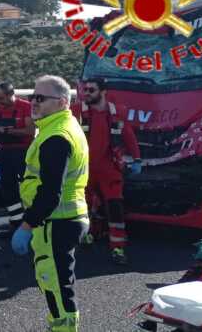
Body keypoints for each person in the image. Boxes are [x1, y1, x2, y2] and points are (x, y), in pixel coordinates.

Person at [11, 75, 90, 332]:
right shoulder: (61, 126)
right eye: (33, 96)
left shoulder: (57, 136)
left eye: (41, 98)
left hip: (57, 221)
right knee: (59, 281)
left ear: (62, 102)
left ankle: (64, 328)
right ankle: (60, 326)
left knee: (55, 283)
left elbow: (50, 193)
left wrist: (26, 225)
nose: (34, 102)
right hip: (65, 218)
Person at [73, 78, 140, 265]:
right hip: (84, 168)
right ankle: (86, 235)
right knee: (83, 206)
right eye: (85, 90)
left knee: (115, 207)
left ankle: (118, 246)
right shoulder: (76, 111)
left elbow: (128, 135)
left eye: (91, 90)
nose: (86, 93)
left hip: (109, 168)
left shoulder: (116, 112)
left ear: (103, 92)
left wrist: (137, 159)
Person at [0, 82, 35, 230]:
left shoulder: (26, 107)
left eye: (1, 98)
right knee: (8, 188)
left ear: (11, 94)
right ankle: (16, 222)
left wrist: (7, 131)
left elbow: (30, 131)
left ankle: (33, 221)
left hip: (24, 152)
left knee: (30, 186)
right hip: (4, 153)